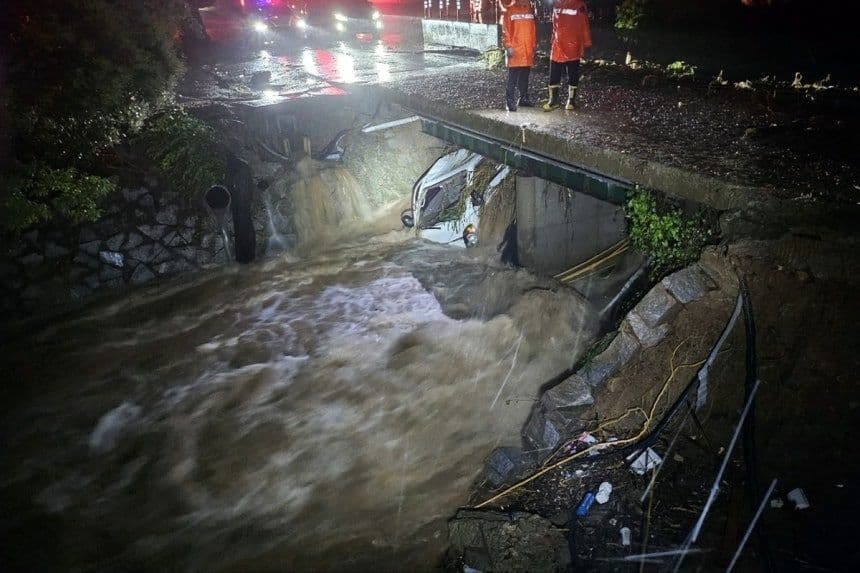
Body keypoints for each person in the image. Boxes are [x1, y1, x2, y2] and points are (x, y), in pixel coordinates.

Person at [543, 0, 591, 111]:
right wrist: (553, 39)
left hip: (570, 43)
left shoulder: (577, 5)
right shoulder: (558, 4)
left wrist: (586, 43)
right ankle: (558, 101)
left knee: (570, 72)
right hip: (560, 43)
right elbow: (555, 24)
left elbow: (583, 24)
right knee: (557, 72)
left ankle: (568, 101)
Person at [501, 0, 537, 112]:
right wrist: (508, 46)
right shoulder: (510, 10)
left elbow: (532, 30)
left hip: (526, 48)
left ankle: (523, 98)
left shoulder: (529, 9)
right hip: (516, 49)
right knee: (513, 76)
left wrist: (533, 45)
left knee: (524, 75)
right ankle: (510, 102)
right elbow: (505, 30)